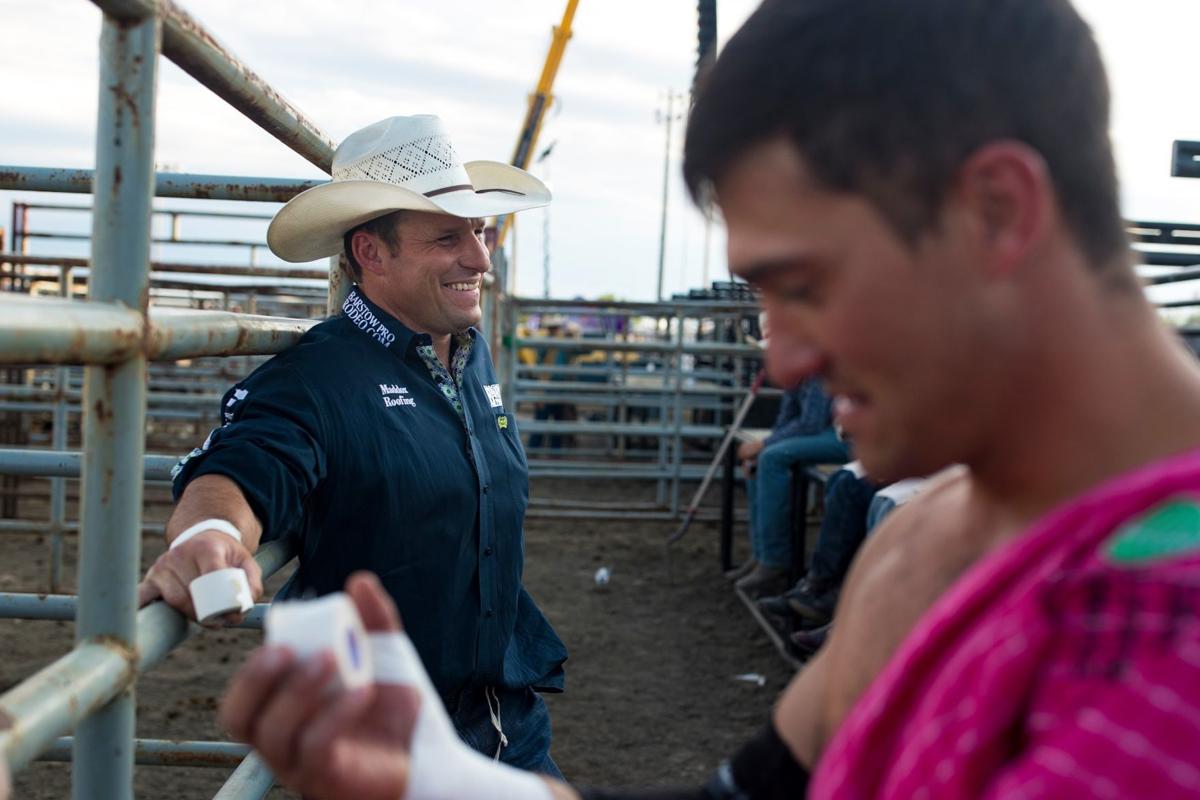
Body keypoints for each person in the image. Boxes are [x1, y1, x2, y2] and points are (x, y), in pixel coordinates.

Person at [220, 0, 1200, 797]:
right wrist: (458, 786)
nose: (780, 361)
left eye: (805, 283)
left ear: (996, 212)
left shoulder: (1153, 648)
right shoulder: (930, 542)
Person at [140, 115, 568, 775]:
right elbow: (246, 464)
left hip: (508, 722)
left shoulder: (466, 352)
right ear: (370, 253)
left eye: (479, 232)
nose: (480, 258)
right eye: (448, 237)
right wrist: (212, 531)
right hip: (388, 744)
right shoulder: (318, 375)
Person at [732, 375, 848, 597]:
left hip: (843, 435)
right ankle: (763, 553)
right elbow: (788, 415)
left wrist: (765, 444)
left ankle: (774, 559)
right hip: (830, 432)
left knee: (771, 457)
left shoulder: (818, 364)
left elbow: (810, 423)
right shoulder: (802, 368)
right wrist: (767, 443)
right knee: (765, 457)